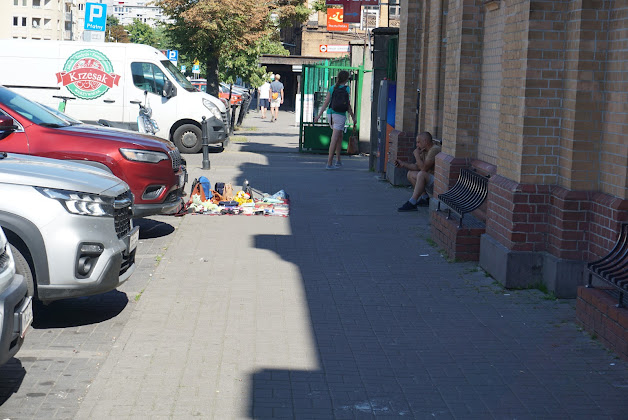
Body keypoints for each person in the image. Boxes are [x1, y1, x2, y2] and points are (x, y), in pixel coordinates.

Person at [313, 70, 356, 170]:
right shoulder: (347, 89)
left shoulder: (332, 88)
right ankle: (329, 163)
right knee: (335, 138)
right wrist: (353, 117)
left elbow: (326, 102)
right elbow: (348, 105)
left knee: (339, 136)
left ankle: (338, 160)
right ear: (346, 79)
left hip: (330, 114)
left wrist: (318, 115)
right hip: (340, 115)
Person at [395, 131, 441, 211]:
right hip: (429, 180)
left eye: (418, 142)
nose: (417, 145)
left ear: (425, 141)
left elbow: (423, 169)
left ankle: (412, 202)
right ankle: (425, 198)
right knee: (410, 174)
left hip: (438, 184)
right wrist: (403, 164)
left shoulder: (434, 150)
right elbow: (417, 166)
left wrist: (416, 155)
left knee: (421, 174)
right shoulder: (424, 150)